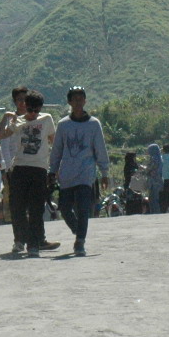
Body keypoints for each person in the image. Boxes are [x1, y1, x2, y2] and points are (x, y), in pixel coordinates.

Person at [0, 89, 57, 257]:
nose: (33, 114)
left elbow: (55, 141)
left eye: (36, 110)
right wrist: (6, 118)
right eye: (30, 110)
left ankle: (34, 244)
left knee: (36, 208)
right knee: (18, 208)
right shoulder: (18, 121)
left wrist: (56, 166)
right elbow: (0, 135)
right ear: (25, 106)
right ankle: (21, 240)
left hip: (39, 169)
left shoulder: (46, 119)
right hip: (20, 168)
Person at [49, 86, 108, 256]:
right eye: (75, 99)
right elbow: (57, 150)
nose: (78, 101)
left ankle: (80, 241)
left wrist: (104, 173)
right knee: (65, 209)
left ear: (85, 101)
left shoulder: (93, 124)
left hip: (86, 174)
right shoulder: (63, 125)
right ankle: (77, 229)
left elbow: (100, 149)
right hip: (66, 175)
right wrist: (52, 171)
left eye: (81, 98)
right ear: (69, 101)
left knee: (83, 208)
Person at [0, 87, 27, 252]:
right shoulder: (11, 120)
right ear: (15, 102)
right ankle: (18, 240)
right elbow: (3, 142)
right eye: (19, 100)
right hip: (14, 170)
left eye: (25, 99)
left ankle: (34, 238)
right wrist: (9, 168)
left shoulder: (34, 118)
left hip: (32, 167)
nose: (22, 103)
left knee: (32, 206)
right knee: (17, 207)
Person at [146, 143, 165, 213]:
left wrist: (145, 169)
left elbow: (150, 168)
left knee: (153, 199)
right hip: (159, 181)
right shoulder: (160, 158)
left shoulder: (154, 158)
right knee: (155, 198)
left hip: (154, 182)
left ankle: (155, 213)